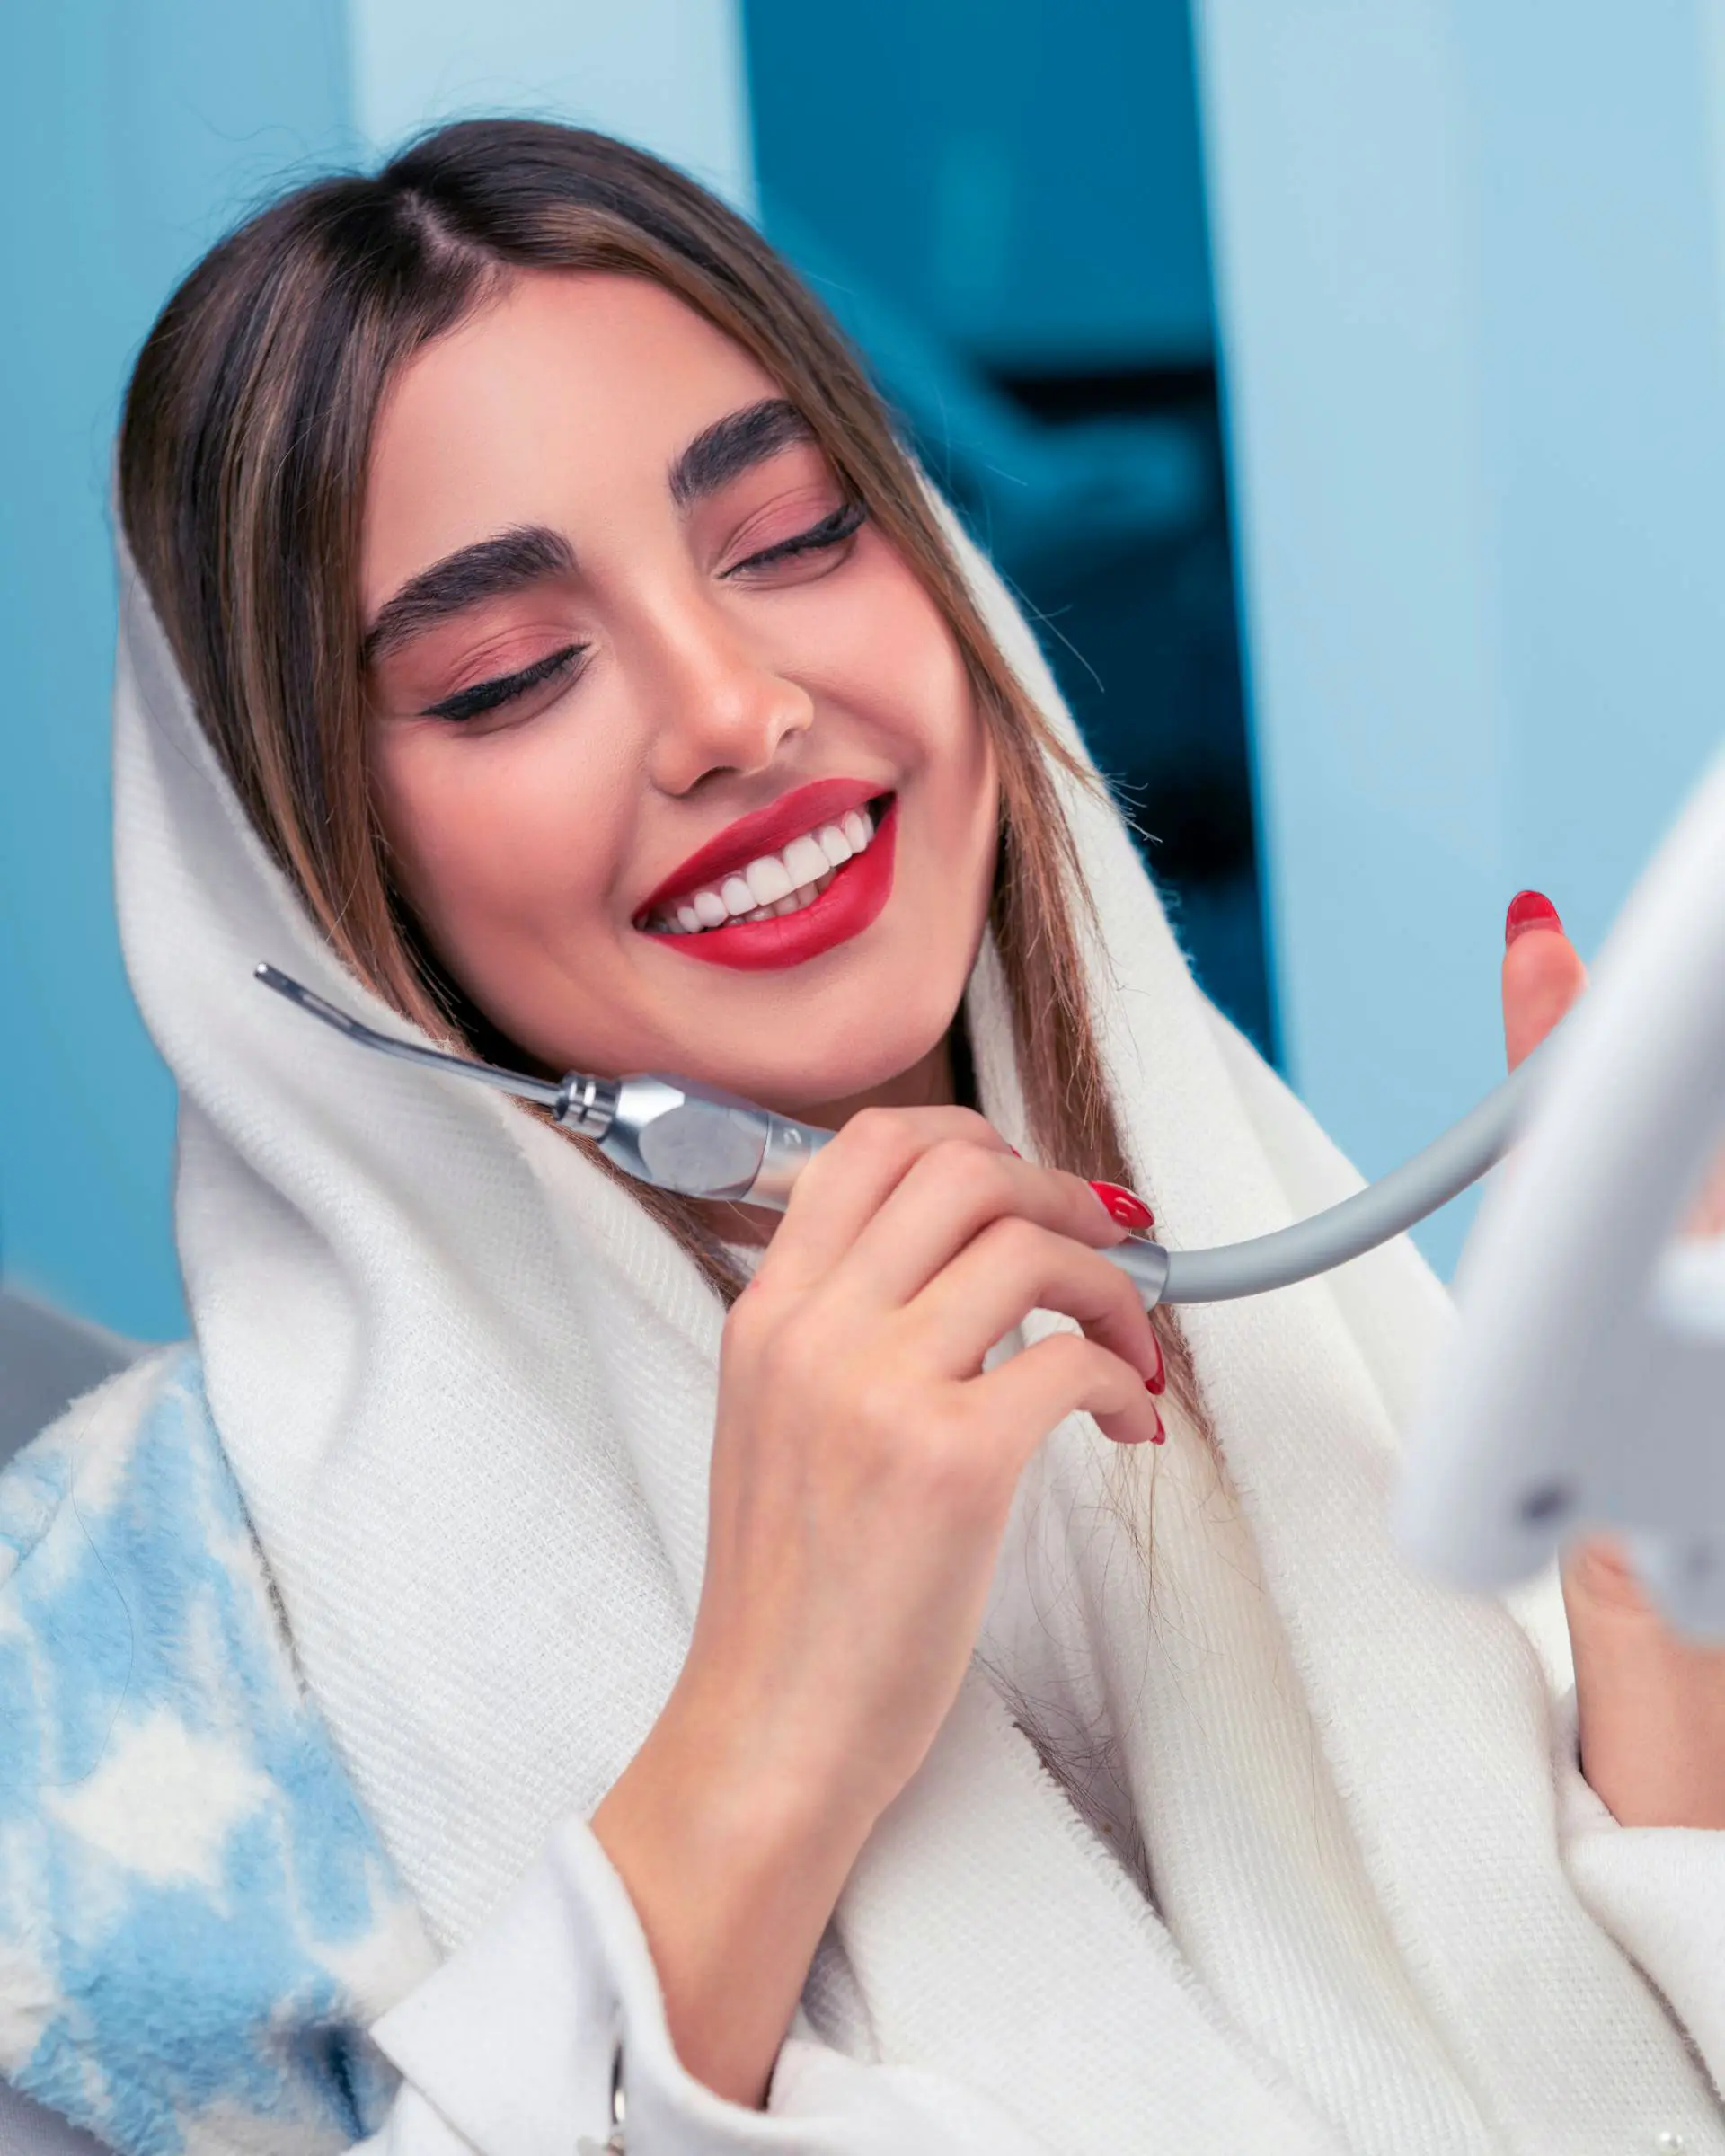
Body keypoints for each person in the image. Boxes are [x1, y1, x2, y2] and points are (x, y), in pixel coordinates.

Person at [3, 119, 1724, 2156]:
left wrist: (1655, 1603)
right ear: (300, 887)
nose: (734, 705)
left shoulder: (1346, 1349)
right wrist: (766, 1732)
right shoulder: (113, 1660)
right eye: (510, 673)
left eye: (801, 535)